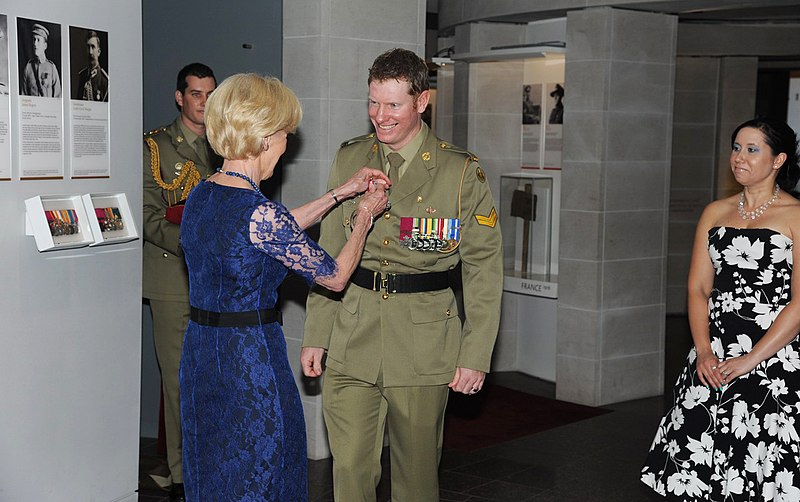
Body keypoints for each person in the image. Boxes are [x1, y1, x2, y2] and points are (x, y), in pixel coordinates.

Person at [302, 48, 503, 502]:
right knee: (349, 470)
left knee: (415, 477)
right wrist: (317, 332)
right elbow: (328, 252)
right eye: (374, 102)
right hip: (352, 330)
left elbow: (484, 269)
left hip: (423, 340)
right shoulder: (350, 158)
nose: (380, 116)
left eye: (393, 104)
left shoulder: (459, 172)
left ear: (422, 101)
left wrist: (475, 353)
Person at [178, 73, 389, 500]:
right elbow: (334, 275)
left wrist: (342, 192)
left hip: (201, 356)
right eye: (285, 134)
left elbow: (270, 230)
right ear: (264, 138)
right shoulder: (261, 213)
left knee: (213, 470)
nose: (287, 143)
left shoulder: (203, 193)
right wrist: (364, 214)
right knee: (265, 470)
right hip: (250, 362)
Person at [641, 118, 800, 500]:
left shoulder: (796, 216)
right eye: (735, 148)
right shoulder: (715, 212)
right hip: (713, 354)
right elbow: (697, 288)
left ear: (778, 159)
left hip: (774, 355)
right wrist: (704, 350)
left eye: (751, 149)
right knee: (699, 459)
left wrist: (751, 360)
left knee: (761, 461)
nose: (738, 158)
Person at [142, 62, 219, 502]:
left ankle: (203, 466)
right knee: (177, 381)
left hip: (215, 279)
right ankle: (182, 477)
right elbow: (151, 216)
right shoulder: (156, 146)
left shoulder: (223, 144)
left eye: (210, 93)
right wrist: (197, 238)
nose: (204, 103)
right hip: (173, 276)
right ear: (179, 97)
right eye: (195, 94)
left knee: (209, 378)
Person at [21, 23, 61, 97]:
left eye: (38, 40)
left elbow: (58, 97)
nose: (35, 44)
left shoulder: (51, 68)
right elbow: (24, 98)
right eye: (34, 40)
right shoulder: (28, 68)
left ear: (45, 46)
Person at [75, 30, 108, 101]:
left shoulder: (105, 80)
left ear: (99, 52)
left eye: (93, 47)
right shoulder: (82, 76)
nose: (90, 52)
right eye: (88, 47)